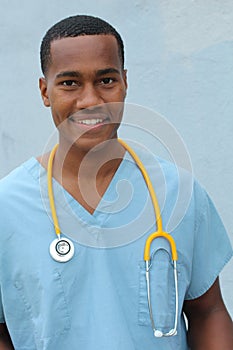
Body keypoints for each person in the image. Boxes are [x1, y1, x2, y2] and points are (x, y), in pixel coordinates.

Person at [0, 14, 232, 350]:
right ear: (44, 91)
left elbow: (208, 312)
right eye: (69, 83)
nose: (90, 100)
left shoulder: (179, 192)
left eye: (106, 80)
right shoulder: (7, 206)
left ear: (124, 82)